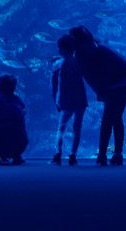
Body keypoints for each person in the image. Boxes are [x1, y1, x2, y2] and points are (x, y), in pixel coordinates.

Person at [69, 25, 126, 166]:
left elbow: (92, 74)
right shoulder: (93, 44)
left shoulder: (85, 50)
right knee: (115, 117)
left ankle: (103, 155)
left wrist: (103, 91)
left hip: (120, 81)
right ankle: (116, 154)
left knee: (108, 119)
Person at [50, 34, 87, 165]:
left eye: (59, 48)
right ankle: (73, 155)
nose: (58, 50)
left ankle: (58, 154)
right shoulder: (79, 62)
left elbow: (54, 86)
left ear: (62, 49)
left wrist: (56, 100)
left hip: (65, 101)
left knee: (61, 128)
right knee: (77, 128)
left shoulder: (57, 65)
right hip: (80, 100)